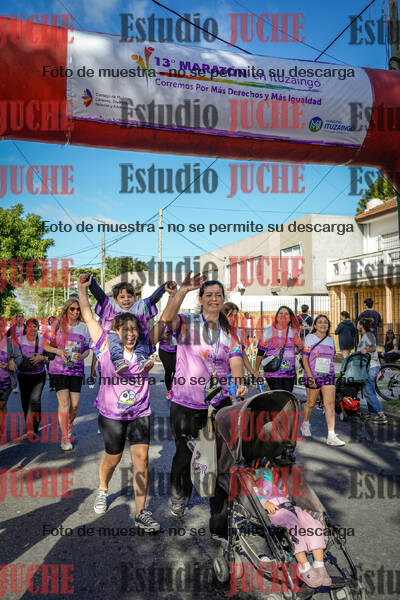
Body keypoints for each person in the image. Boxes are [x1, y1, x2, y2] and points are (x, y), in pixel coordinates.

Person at [77, 274, 178, 531]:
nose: (131, 334)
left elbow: (165, 319)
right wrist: (82, 289)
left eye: (134, 329)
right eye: (126, 329)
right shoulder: (104, 343)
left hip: (140, 412)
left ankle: (142, 512)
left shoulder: (145, 345)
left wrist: (177, 294)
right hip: (112, 414)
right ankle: (103, 489)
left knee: (141, 460)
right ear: (116, 330)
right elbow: (88, 316)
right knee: (113, 458)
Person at [167, 279, 247, 529]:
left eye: (218, 295)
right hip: (186, 402)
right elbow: (166, 320)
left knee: (218, 458)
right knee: (185, 455)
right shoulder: (187, 323)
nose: (214, 299)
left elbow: (236, 362)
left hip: (218, 404)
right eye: (209, 295)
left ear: (223, 299)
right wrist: (182, 291)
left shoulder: (230, 332)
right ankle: (179, 496)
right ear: (200, 298)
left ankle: (218, 521)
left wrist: (238, 384)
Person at [254, 466, 331, 588]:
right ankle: (304, 566)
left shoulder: (267, 477)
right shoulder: (252, 487)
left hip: (291, 506)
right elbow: (253, 498)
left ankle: (319, 565)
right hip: (276, 511)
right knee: (294, 528)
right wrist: (264, 502)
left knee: (313, 525)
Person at [86, 276, 171, 374]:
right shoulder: (112, 305)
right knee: (113, 339)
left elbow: (153, 299)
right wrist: (91, 282)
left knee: (142, 339)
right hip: (115, 334)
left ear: (134, 297)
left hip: (135, 335)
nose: (126, 299)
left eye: (129, 296)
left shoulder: (138, 306)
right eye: (122, 297)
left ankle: (142, 359)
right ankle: (118, 360)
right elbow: (99, 295)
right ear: (116, 299)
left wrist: (163, 288)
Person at [42, 298, 90, 451]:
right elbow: (45, 345)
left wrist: (82, 356)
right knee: (64, 403)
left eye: (78, 309)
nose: (75, 312)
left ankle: (68, 425)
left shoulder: (84, 327)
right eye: (72, 309)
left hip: (76, 369)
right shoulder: (57, 325)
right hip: (59, 369)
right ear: (66, 309)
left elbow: (87, 349)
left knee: (74, 405)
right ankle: (64, 437)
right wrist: (58, 351)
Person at [301, 315, 345, 447]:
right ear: (315, 325)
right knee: (311, 403)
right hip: (313, 375)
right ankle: (305, 423)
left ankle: (331, 435)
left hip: (328, 375)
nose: (323, 324)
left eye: (325, 322)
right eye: (320, 322)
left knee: (329, 404)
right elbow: (304, 359)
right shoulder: (309, 338)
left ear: (328, 326)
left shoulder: (331, 340)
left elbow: (331, 358)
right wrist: (310, 377)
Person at [14, 318, 49, 439]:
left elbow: (50, 357)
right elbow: (14, 356)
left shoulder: (43, 340)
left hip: (39, 375)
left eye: (35, 326)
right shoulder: (19, 340)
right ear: (25, 328)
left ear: (37, 328)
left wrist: (42, 358)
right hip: (23, 375)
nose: (32, 329)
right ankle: (30, 424)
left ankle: (32, 427)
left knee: (35, 400)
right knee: (25, 401)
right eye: (29, 326)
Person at [255, 306, 302, 393]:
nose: (283, 315)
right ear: (277, 317)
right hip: (273, 371)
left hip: (289, 372)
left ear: (290, 318)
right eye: (281, 313)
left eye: (286, 314)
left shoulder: (294, 331)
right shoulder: (268, 331)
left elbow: (300, 347)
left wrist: (295, 351)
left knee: (287, 396)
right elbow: (260, 352)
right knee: (279, 396)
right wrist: (257, 370)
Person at [357, 319, 387, 424]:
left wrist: (365, 350)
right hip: (369, 367)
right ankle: (372, 414)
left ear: (361, 325)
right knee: (370, 391)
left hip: (372, 367)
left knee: (368, 391)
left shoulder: (368, 335)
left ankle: (381, 415)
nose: (357, 325)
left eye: (358, 323)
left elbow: (373, 348)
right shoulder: (366, 336)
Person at [0, 318, 22, 440]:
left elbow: (19, 358)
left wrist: (11, 363)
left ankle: (1, 425)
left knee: (2, 404)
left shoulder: (11, 342)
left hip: (6, 380)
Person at [223, 303, 256, 378]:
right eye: (230, 315)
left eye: (235, 315)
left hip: (236, 371)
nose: (233, 318)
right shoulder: (216, 331)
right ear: (223, 316)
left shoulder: (237, 331)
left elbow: (242, 353)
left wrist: (252, 371)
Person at [158, 326, 177, 400]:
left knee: (176, 370)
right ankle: (169, 390)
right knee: (168, 370)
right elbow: (155, 339)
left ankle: (174, 388)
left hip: (176, 351)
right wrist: (162, 336)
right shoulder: (163, 327)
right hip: (164, 351)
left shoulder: (179, 326)